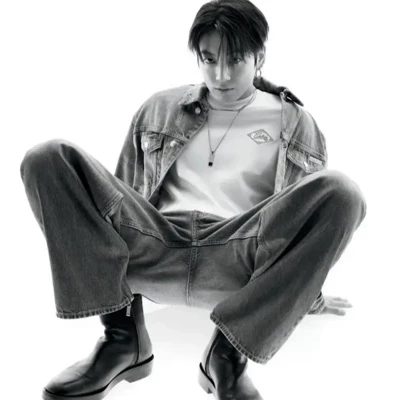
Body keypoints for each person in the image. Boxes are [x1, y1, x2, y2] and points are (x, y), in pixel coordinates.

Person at [19, 0, 367, 399]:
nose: (221, 74)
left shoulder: (297, 125)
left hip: (240, 251)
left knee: (343, 191)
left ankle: (228, 354)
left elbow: (302, 223)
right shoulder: (159, 109)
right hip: (155, 242)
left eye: (235, 59)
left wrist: (309, 294)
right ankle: (122, 339)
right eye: (209, 59)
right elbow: (117, 197)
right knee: (47, 157)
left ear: (259, 57)